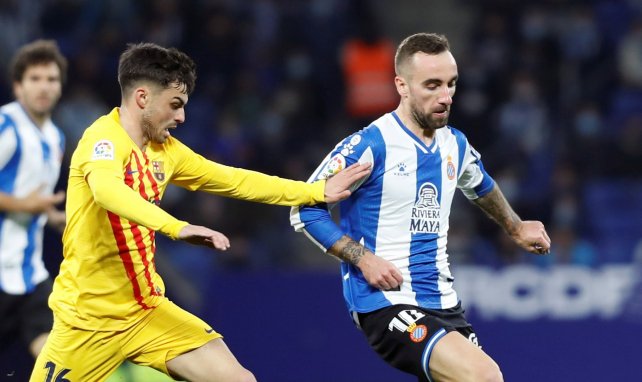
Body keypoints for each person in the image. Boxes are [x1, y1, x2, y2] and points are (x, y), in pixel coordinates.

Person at [29, 42, 370, 382]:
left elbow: (232, 179)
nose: (181, 117)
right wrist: (176, 227)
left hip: (148, 312)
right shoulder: (102, 140)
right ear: (143, 98)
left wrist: (313, 191)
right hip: (87, 321)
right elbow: (107, 191)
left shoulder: (166, 151)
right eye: (175, 105)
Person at [291, 32, 551, 382]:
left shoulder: (455, 144)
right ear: (402, 85)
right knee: (485, 376)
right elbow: (305, 209)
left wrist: (515, 227)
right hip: (386, 303)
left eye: (451, 85)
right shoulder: (370, 145)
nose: (446, 97)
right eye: (432, 85)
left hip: (445, 302)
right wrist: (362, 258)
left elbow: (481, 185)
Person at [0, 39, 67, 360]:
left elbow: (35, 197)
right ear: (18, 87)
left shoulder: (56, 137)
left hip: (29, 272)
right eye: (35, 79)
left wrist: (53, 217)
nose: (44, 87)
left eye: (51, 79)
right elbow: (26, 200)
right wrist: (26, 205)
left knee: (55, 354)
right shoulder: (6, 125)